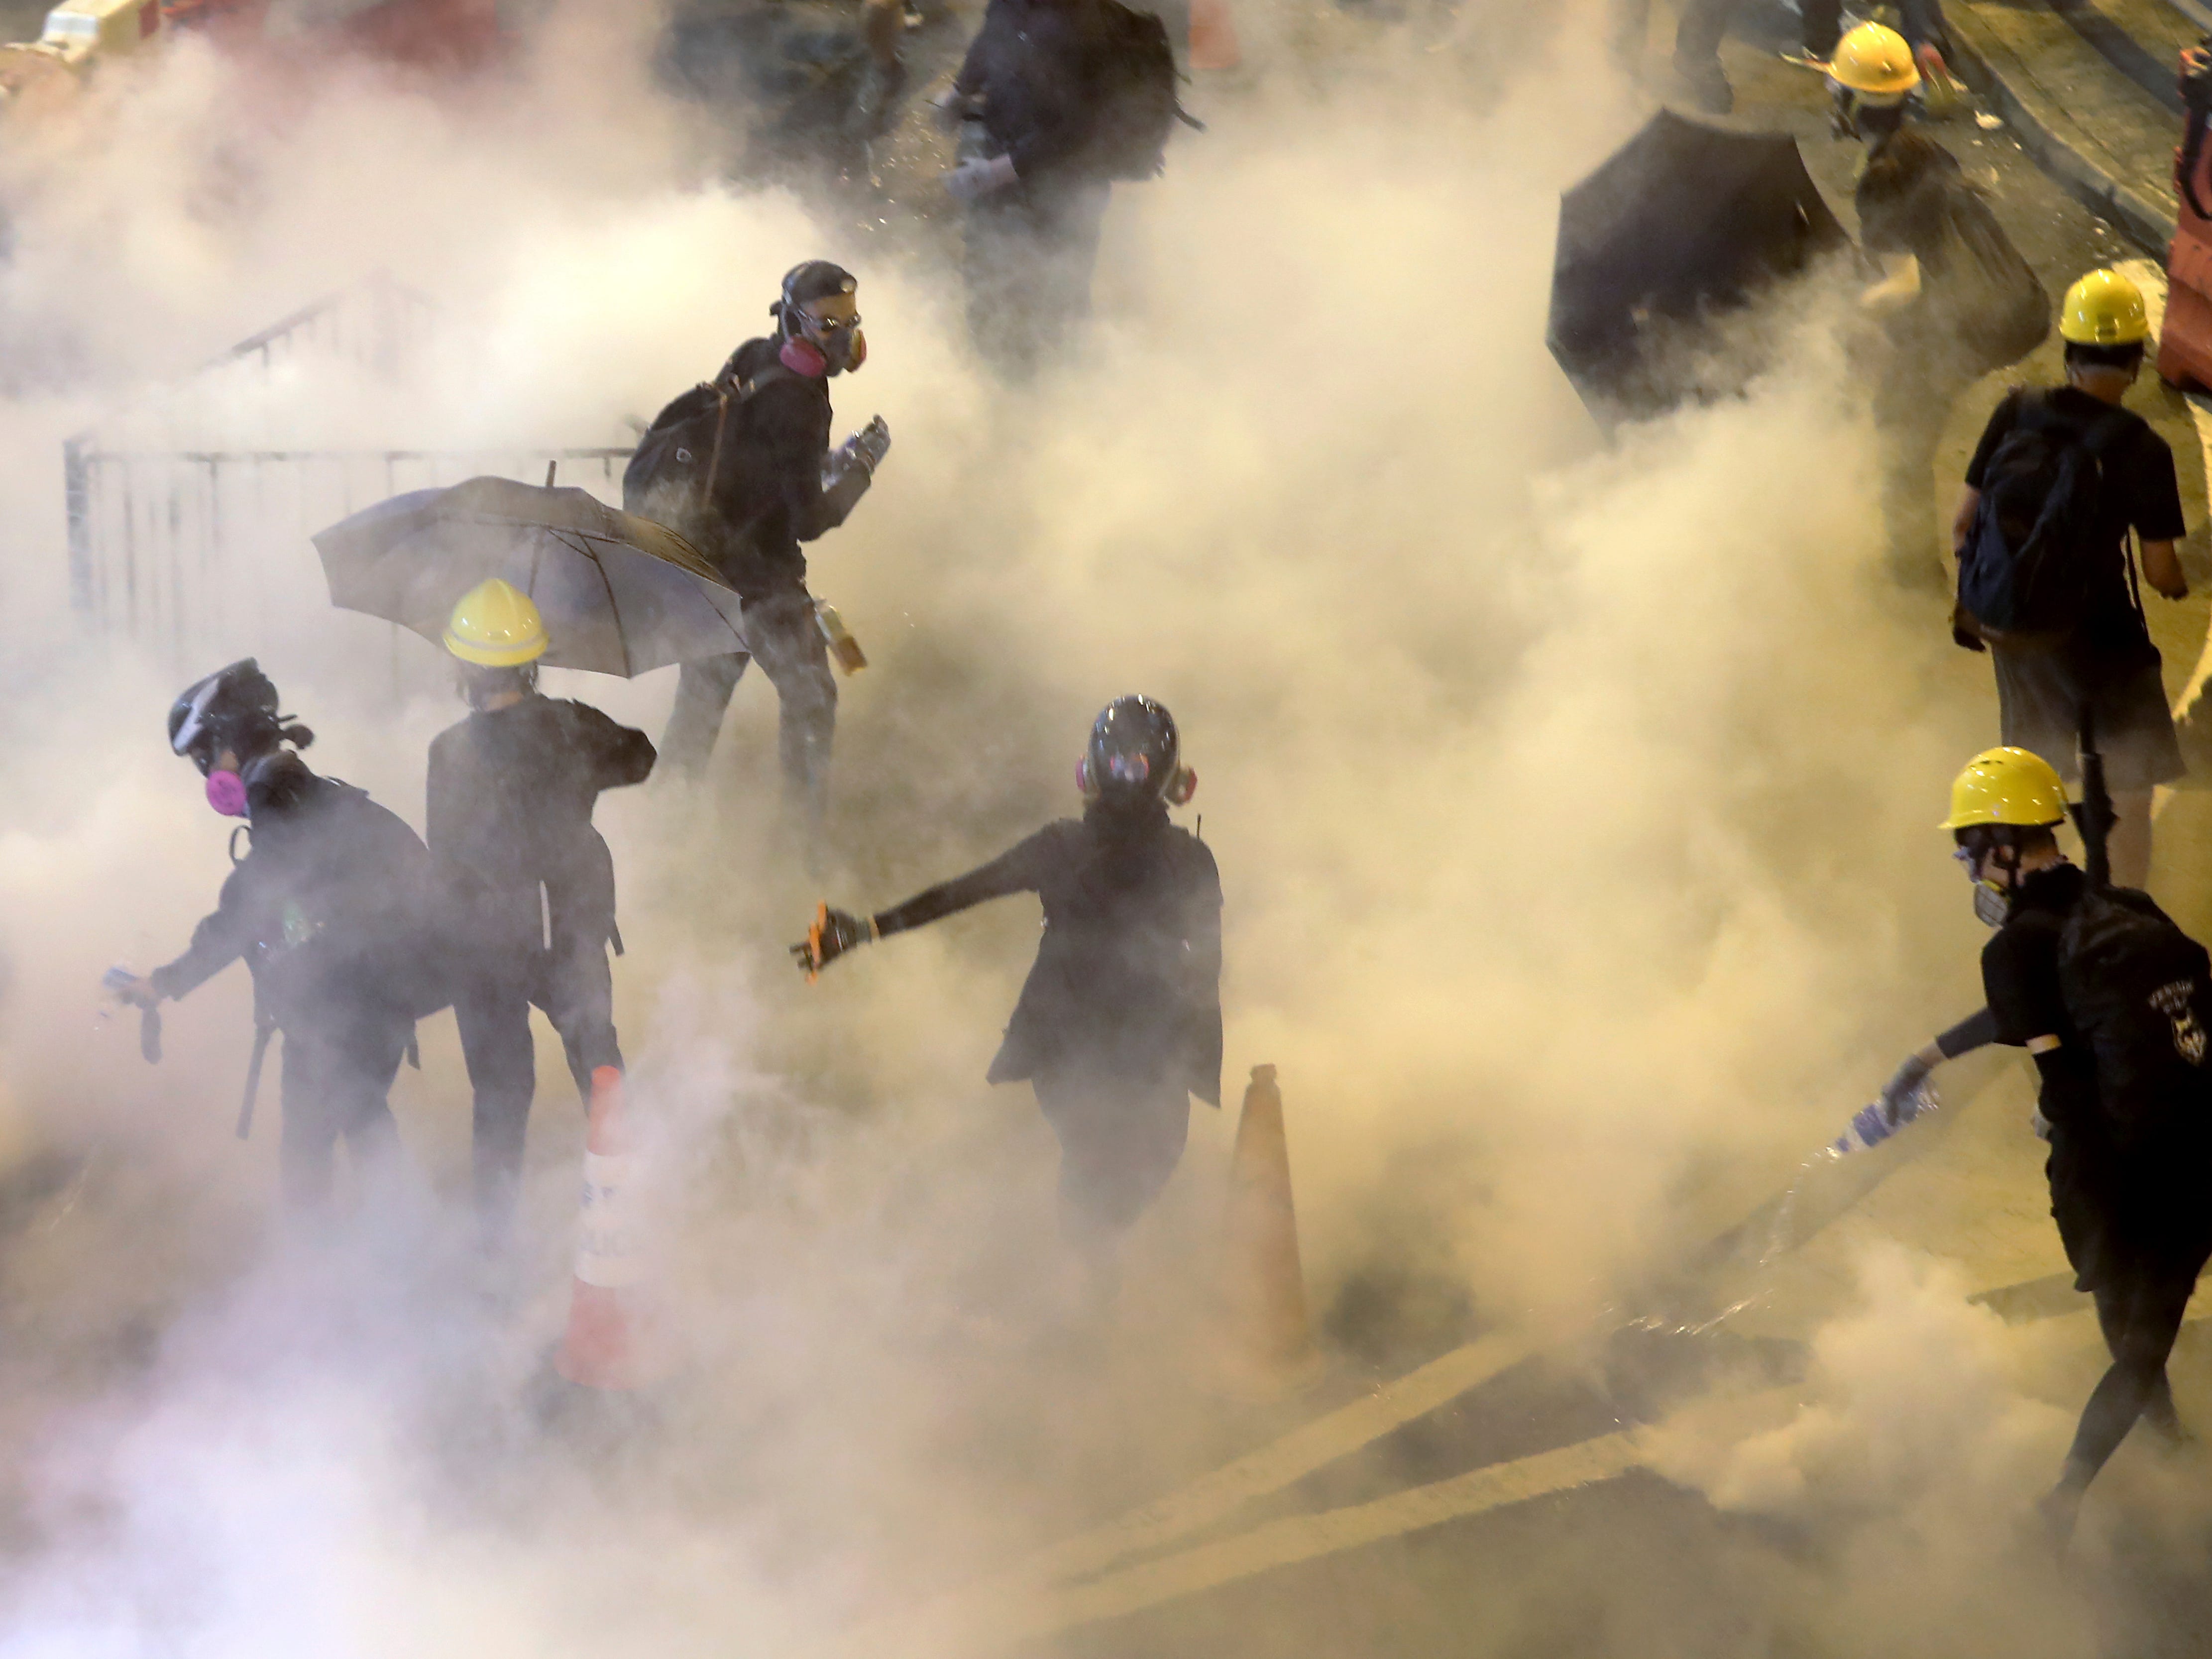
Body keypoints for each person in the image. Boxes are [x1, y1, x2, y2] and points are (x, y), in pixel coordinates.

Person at [792, 696, 1222, 1302]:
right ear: (1177, 782)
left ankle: (1084, 1259)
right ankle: (1091, 1259)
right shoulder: (1193, 862)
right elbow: (1207, 969)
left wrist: (864, 930)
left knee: (1088, 1162)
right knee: (1142, 1160)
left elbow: (959, 894)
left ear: (1087, 775)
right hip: (1148, 1051)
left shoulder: (1058, 848)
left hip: (1064, 1045)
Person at [1908, 748, 2212, 1540]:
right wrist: (1932, 1055)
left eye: (1968, 847)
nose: (1966, 865)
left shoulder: (2010, 946)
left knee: (2130, 1334)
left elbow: (2061, 1085)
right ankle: (2169, 1444)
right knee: (2147, 1334)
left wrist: (2055, 1128)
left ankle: (2066, 1496)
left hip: (2119, 1175)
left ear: (2002, 844)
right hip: (2199, 1151)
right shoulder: (2128, 908)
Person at [108, 661, 446, 1214]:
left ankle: (346, 1265)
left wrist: (167, 981)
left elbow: (254, 902)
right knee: (356, 1120)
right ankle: (397, 1251)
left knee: (319, 1141)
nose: (207, 777)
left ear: (232, 744)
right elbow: (294, 906)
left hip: (352, 1000)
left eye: (204, 759)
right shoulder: (302, 792)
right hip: (369, 996)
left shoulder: (278, 797)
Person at [426, 580, 658, 1246]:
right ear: (532, 662)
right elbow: (642, 756)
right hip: (569, 926)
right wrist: (568, 733)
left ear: (464, 670)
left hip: (484, 942)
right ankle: (626, 1216)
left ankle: (494, 1247)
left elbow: (444, 857)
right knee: (596, 1058)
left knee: (499, 1095)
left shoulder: (447, 751)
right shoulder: (571, 725)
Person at [629, 259, 890, 840]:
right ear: (793, 320)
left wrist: (829, 461)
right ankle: (801, 847)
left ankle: (661, 835)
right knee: (812, 701)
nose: (843, 337)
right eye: (827, 323)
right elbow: (812, 521)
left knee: (698, 708)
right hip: (762, 582)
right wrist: (864, 468)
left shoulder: (753, 355)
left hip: (706, 567)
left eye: (850, 320)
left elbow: (761, 457)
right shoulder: (800, 398)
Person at [1951, 268, 2187, 890]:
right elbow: (2160, 573)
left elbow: (1961, 526)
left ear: (2068, 349)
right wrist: (2179, 584)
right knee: (2128, 791)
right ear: (2135, 360)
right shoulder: (2140, 449)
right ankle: (2118, 910)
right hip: (2103, 644)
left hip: (2017, 636)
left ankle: (2029, 898)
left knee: (2033, 782)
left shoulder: (2017, 409)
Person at [1832, 21, 2049, 585]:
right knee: (1910, 399)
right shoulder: (1926, 150)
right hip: (2013, 305)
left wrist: (1855, 312)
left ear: (1851, 101)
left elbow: (1903, 285)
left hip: (1970, 323)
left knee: (1898, 427)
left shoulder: (1880, 178)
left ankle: (1914, 574)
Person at [940, 0, 1181, 371]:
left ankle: (1051, 392)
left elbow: (1077, 129)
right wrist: (959, 91)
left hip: (1065, 186)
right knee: (991, 278)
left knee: (1056, 294)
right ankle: (996, 371)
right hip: (1004, 162)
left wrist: (995, 173)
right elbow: (994, 37)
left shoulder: (1081, 26)